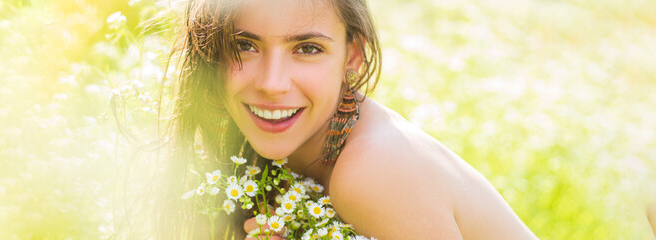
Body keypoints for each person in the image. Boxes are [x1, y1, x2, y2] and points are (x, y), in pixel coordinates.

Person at [158, 0, 538, 239]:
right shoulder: (268, 156)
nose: (272, 84)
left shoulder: (371, 171)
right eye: (245, 45)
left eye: (307, 48)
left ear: (353, 55)